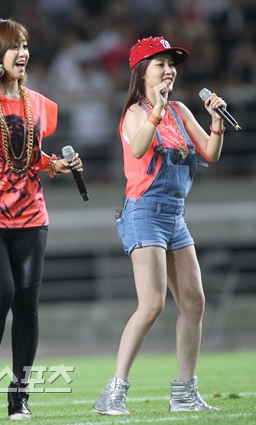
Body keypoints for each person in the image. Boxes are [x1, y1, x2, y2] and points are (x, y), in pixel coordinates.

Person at [0, 18, 83, 421]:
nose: (23, 52)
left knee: (27, 305)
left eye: (25, 45)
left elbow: (27, 153)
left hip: (31, 214)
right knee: (2, 293)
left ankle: (19, 393)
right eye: (14, 46)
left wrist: (56, 164)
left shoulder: (37, 102)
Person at [93, 36, 225, 415]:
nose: (169, 71)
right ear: (142, 72)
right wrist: (156, 112)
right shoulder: (135, 113)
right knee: (152, 304)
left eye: (171, 65)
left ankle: (184, 393)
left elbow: (210, 152)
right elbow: (138, 148)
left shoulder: (179, 110)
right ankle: (113, 392)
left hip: (174, 215)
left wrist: (216, 121)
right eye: (160, 64)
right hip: (144, 212)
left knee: (194, 303)